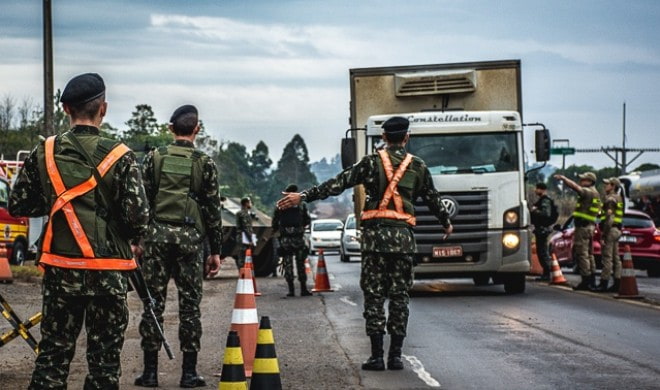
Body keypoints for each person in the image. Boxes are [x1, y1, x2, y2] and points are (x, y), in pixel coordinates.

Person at [277, 116, 452, 372]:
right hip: (403, 242)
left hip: (374, 242)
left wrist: (303, 196)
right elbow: (433, 198)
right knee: (399, 296)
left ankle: (376, 356)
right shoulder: (418, 166)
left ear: (383, 138)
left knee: (374, 295)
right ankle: (395, 356)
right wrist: (445, 222)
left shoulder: (370, 163)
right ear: (406, 137)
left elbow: (337, 184)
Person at [8, 73, 150, 389]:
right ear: (104, 108)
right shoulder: (121, 156)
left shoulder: (43, 152)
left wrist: (55, 199)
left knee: (53, 358)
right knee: (104, 366)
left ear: (66, 109)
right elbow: (138, 219)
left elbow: (19, 204)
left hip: (61, 269)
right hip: (109, 270)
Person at [135, 104, 222, 388]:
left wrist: (138, 240)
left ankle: (149, 374)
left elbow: (141, 202)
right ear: (197, 129)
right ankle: (188, 373)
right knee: (190, 307)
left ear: (171, 128)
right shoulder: (204, 163)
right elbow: (212, 211)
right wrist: (215, 251)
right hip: (190, 241)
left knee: (152, 303)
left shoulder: (154, 158)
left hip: (157, 239)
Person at [554, 172, 601, 290]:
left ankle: (586, 280)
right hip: (590, 226)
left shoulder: (588, 192)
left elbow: (575, 187)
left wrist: (564, 178)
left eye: (583, 179)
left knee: (582, 254)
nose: (581, 181)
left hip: (583, 227)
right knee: (589, 254)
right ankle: (592, 280)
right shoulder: (596, 193)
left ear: (590, 181)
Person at [272, 184, 312, 297]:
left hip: (285, 239)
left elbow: (274, 222)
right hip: (298, 238)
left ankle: (291, 290)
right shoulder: (301, 205)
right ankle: (303, 289)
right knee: (301, 264)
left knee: (287, 264)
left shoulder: (280, 205)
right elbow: (307, 220)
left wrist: (278, 231)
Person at [597, 177, 624, 292]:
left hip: (611, 230)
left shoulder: (610, 199)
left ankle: (604, 282)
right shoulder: (619, 198)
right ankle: (617, 283)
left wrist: (604, 234)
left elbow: (609, 219)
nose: (605, 186)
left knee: (607, 258)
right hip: (617, 230)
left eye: (607, 184)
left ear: (613, 186)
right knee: (616, 257)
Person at [530, 182, 554, 280]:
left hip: (543, 230)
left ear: (542, 189)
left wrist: (535, 210)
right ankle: (545, 273)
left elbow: (546, 213)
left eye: (537, 188)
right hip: (540, 229)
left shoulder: (545, 201)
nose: (535, 190)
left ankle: (547, 273)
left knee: (543, 252)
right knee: (541, 251)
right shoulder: (542, 200)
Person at [235, 196, 255, 269]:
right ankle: (243, 273)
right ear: (246, 203)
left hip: (244, 237)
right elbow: (245, 228)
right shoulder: (243, 214)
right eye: (250, 202)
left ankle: (245, 273)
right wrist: (250, 239)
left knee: (245, 256)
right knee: (242, 257)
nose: (251, 204)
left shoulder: (244, 213)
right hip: (243, 237)